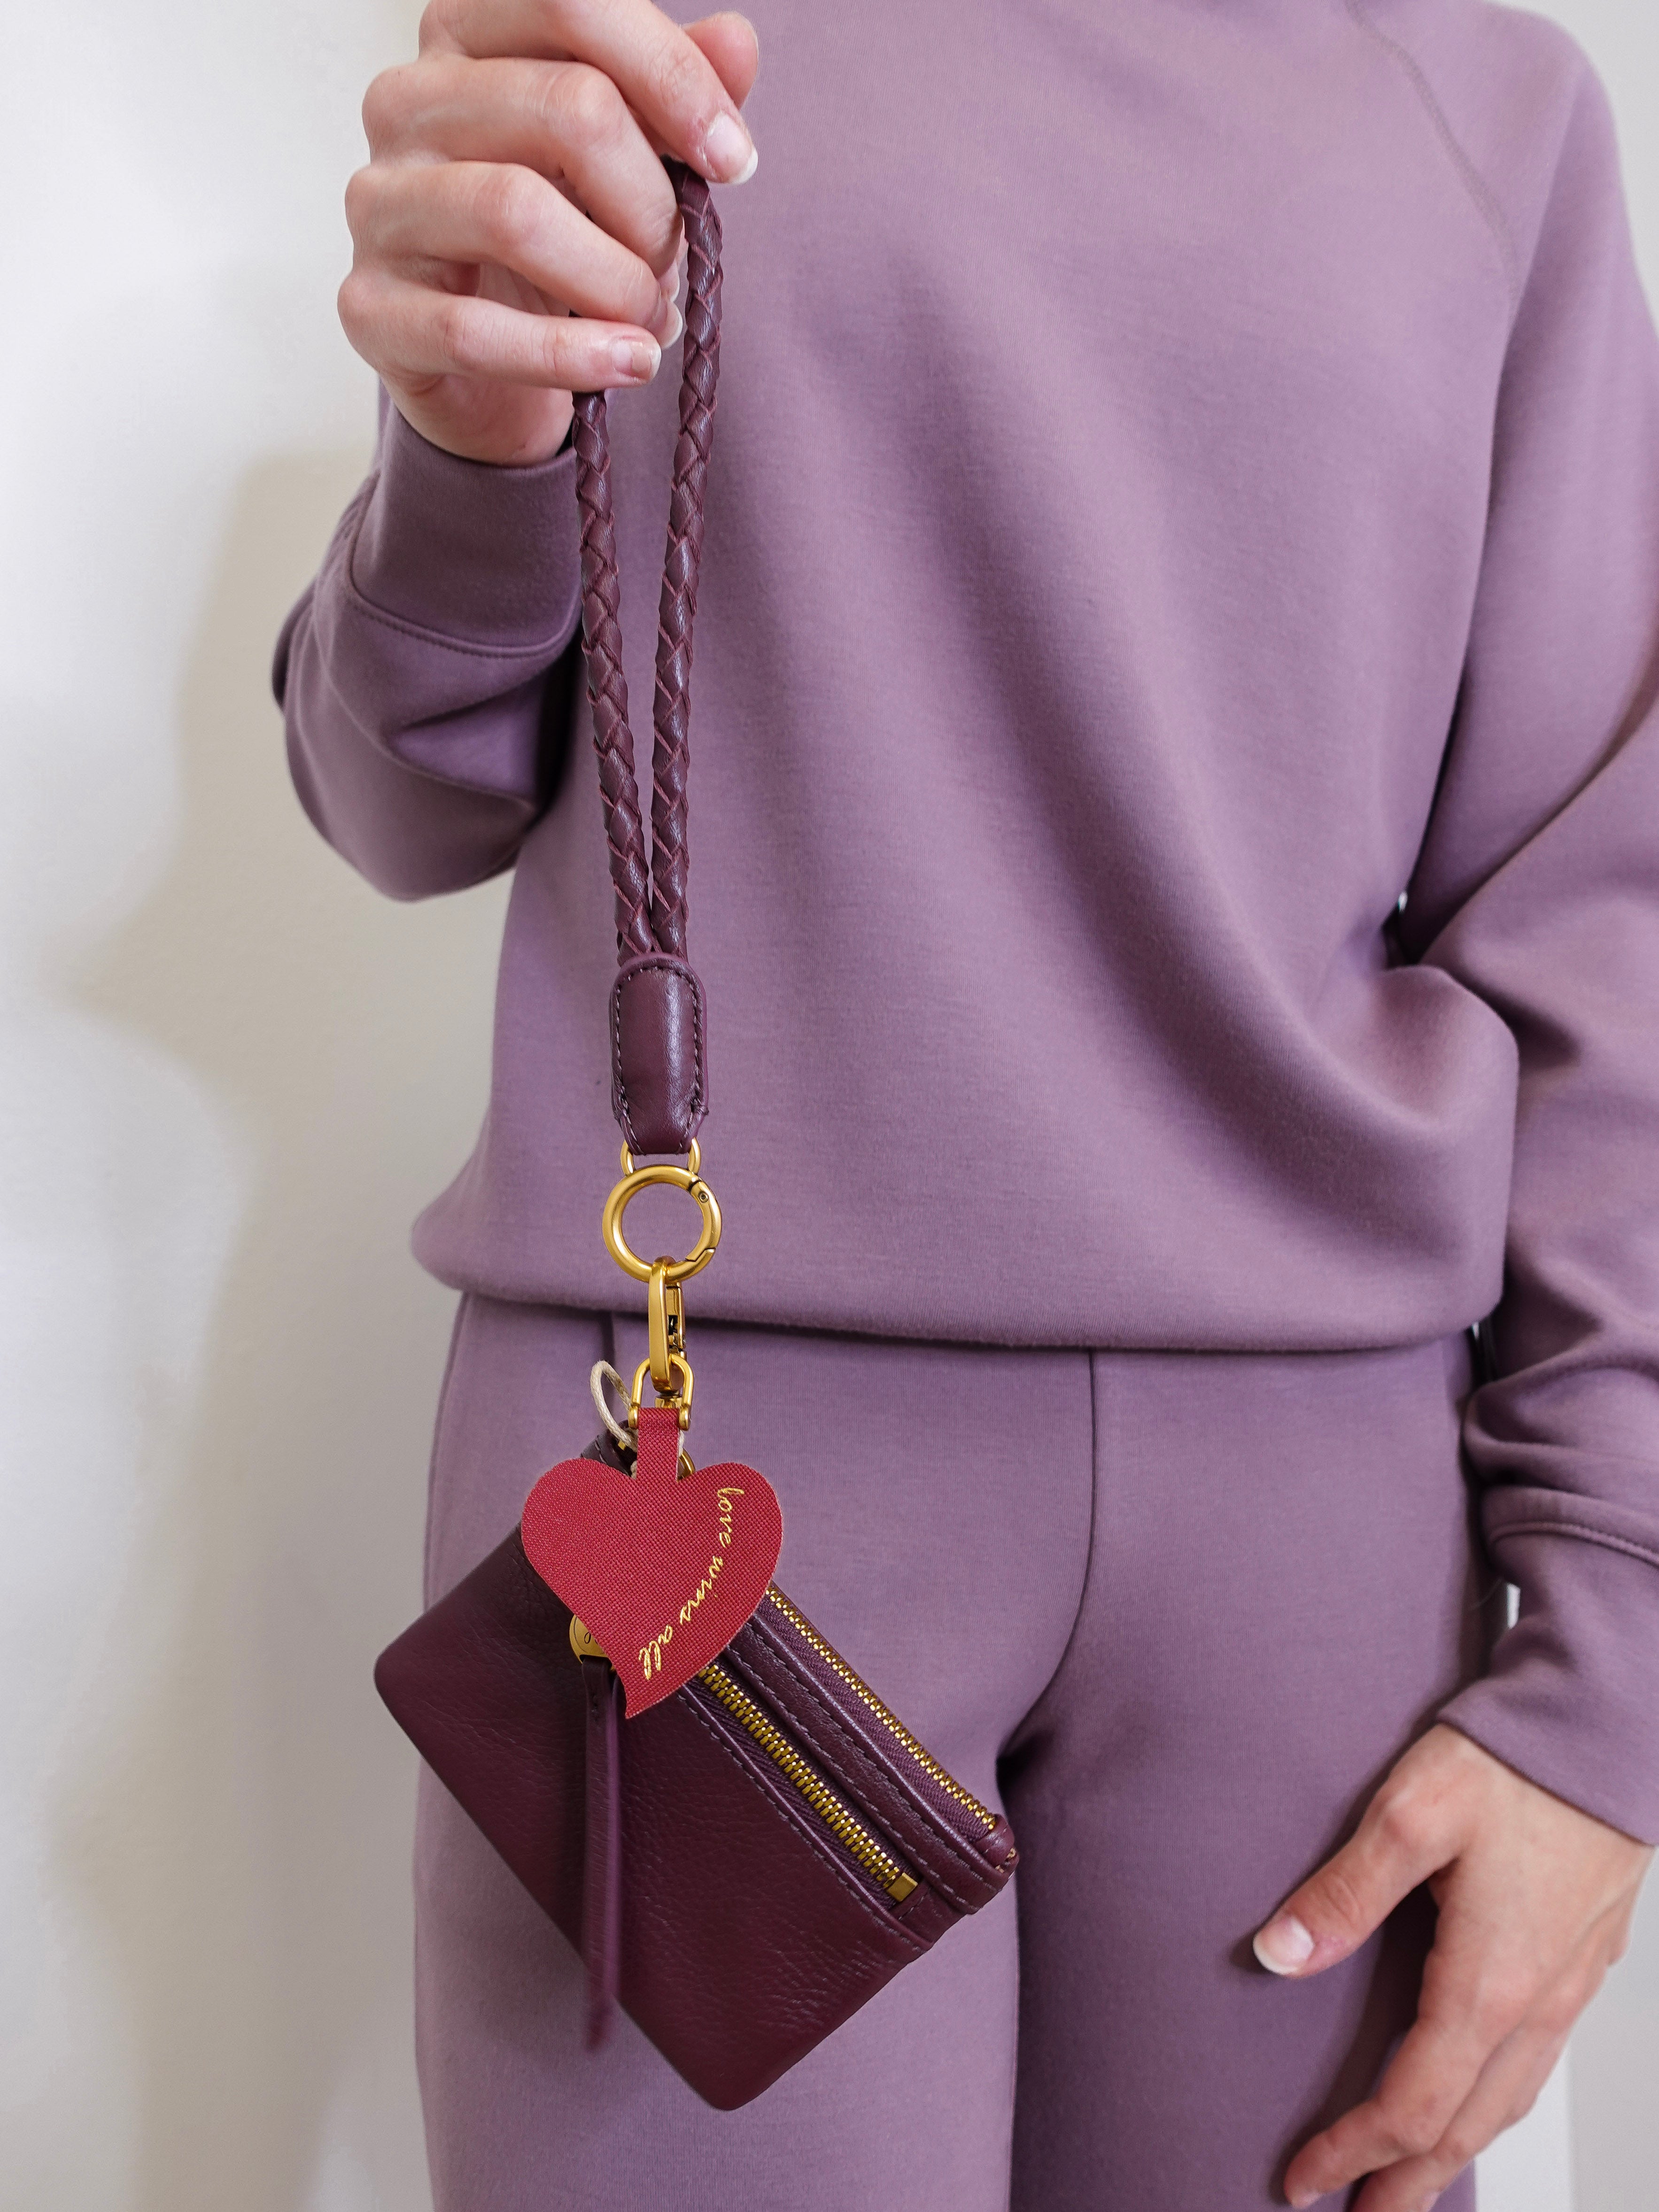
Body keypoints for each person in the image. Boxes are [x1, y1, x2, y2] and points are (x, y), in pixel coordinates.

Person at [274, 2, 1659, 2205]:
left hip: (1313, 1545)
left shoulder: (1482, 95)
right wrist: (462, 452)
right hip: (693, 1449)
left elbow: (1599, 904)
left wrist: (1615, 1670)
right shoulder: (636, 35)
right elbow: (395, 792)